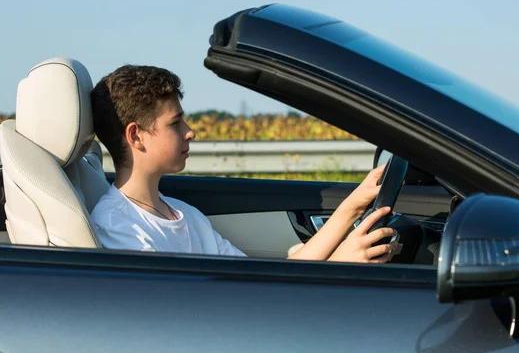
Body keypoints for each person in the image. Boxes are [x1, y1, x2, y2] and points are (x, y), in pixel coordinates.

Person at [90, 65, 398, 263]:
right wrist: (339, 265)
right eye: (176, 123)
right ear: (136, 136)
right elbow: (185, 312)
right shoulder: (120, 226)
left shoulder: (185, 215)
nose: (190, 132)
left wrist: (351, 208)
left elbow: (254, 283)